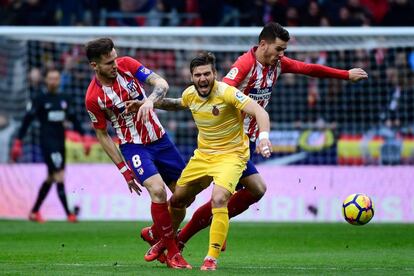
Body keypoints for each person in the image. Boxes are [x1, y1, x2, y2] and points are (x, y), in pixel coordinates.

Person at [139, 21, 369, 251]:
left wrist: (345, 75)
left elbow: (308, 69)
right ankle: (170, 236)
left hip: (244, 141)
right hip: (229, 142)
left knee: (250, 191)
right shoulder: (245, 64)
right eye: (279, 49)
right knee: (228, 195)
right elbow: (222, 92)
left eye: (284, 50)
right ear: (263, 44)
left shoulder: (277, 65)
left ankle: (174, 234)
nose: (282, 54)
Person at [126, 51, 272, 270]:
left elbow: (259, 111)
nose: (202, 79)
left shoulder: (227, 92)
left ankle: (210, 258)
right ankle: (165, 241)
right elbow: (177, 103)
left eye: (206, 74)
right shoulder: (191, 94)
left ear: (215, 74)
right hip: (203, 156)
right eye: (197, 75)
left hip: (231, 156)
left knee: (220, 198)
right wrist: (148, 103)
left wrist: (263, 138)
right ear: (191, 77)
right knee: (177, 200)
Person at [84, 38, 191, 269]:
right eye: (109, 62)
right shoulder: (94, 98)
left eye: (115, 58)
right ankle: (172, 252)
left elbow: (160, 83)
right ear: (95, 66)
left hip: (161, 141)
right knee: (157, 190)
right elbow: (102, 135)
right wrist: (124, 171)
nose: (115, 64)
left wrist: (148, 102)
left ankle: (156, 234)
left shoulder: (127, 64)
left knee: (184, 197)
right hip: (134, 147)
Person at [10, 68, 89, 223]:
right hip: (47, 142)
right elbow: (27, 120)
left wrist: (83, 136)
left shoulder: (65, 98)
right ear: (46, 80)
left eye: (56, 78)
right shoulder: (39, 99)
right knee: (59, 175)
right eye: (51, 78)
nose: (53, 81)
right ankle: (69, 214)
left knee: (51, 178)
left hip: (61, 142)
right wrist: (18, 141)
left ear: (59, 80)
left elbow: (74, 119)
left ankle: (34, 212)